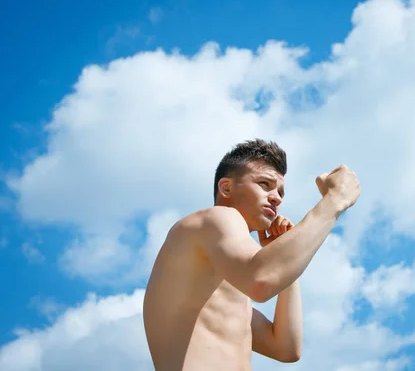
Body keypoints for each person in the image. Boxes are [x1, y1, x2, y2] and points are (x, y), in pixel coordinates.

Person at [143, 139, 361, 370]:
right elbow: (261, 280)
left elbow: (286, 348)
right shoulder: (216, 217)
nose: (276, 197)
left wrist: (283, 254)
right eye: (264, 183)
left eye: (280, 192)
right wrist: (335, 199)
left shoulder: (217, 289)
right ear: (226, 187)